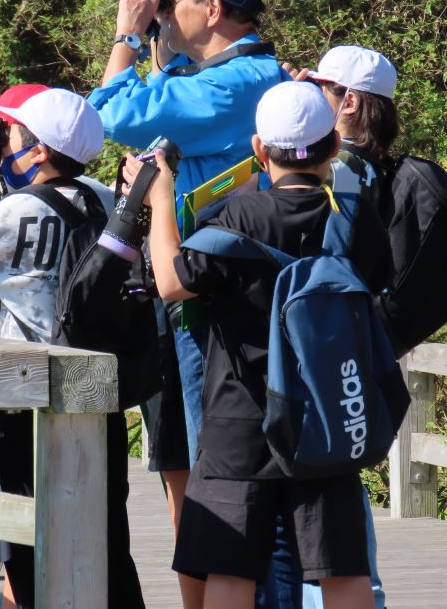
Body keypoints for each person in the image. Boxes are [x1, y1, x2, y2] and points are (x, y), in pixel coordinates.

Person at [125, 80, 391, 609]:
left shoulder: (239, 218)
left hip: (238, 416)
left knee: (231, 567)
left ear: (258, 150)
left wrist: (159, 197)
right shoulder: (353, 219)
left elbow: (173, 282)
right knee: (342, 566)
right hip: (324, 413)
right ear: (333, 148)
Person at [89, 0, 290, 608]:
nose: (162, 8)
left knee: (221, 468)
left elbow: (110, 118)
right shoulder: (220, 76)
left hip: (212, 298)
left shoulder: (234, 86)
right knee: (201, 464)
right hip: (196, 289)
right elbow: (155, 93)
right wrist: (158, 39)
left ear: (212, 8)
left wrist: (125, 34)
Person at [0, 83, 144, 609]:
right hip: (96, 396)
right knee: (106, 546)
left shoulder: (19, 214)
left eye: (9, 133)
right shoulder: (106, 202)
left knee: (32, 547)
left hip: (25, 401)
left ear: (37, 149)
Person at [286, 45, 400, 609]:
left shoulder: (344, 169)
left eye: (319, 90)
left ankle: (358, 597)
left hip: (323, 339)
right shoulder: (372, 164)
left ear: (348, 102)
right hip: (347, 337)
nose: (308, 98)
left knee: (329, 481)